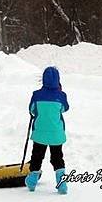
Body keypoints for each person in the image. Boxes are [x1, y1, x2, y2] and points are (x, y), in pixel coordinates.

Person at [25, 66, 70, 194]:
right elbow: (64, 109)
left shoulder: (36, 95)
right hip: (56, 133)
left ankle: (32, 182)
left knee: (37, 157)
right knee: (57, 158)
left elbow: (32, 110)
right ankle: (62, 185)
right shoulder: (61, 96)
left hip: (40, 133)